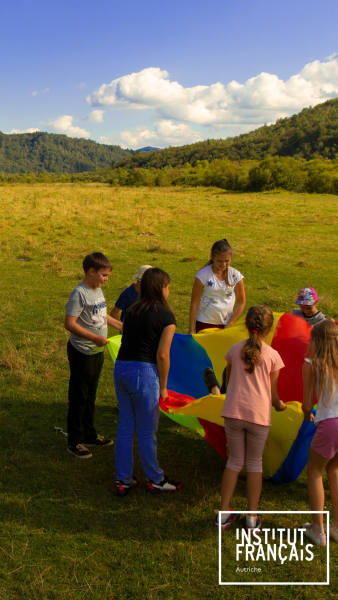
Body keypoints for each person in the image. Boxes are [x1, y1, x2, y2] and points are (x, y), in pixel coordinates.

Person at [215, 306, 286, 531]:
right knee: (255, 464)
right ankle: (252, 517)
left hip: (233, 413)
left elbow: (228, 380)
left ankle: (223, 513)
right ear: (270, 328)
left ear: (245, 325)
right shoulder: (273, 356)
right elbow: (274, 398)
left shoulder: (235, 350)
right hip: (258, 417)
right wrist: (282, 406)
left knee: (234, 461)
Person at [113, 267, 182, 497]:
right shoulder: (166, 316)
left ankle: (123, 480)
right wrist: (163, 387)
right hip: (144, 373)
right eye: (168, 286)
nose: (169, 291)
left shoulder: (132, 310)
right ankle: (155, 479)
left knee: (125, 427)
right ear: (161, 288)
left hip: (121, 369)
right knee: (146, 431)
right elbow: (162, 354)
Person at [65, 252, 122, 459]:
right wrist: (94, 338)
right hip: (82, 352)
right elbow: (69, 323)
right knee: (79, 397)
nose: (106, 279)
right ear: (92, 271)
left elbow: (101, 314)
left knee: (90, 395)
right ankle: (74, 441)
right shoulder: (79, 294)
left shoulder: (97, 290)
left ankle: (89, 435)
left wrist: (119, 325)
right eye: (104, 275)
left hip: (97, 352)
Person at [302, 320, 338, 545]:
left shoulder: (312, 364)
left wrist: (308, 416)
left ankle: (318, 530)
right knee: (334, 470)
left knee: (314, 471)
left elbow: (307, 405)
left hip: (330, 425)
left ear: (316, 341)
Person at [188, 239, 245, 334]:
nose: (223, 265)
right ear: (212, 257)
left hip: (227, 325)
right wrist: (191, 329)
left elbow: (241, 302)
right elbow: (194, 303)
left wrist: (230, 324)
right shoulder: (202, 276)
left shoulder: (236, 276)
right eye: (220, 261)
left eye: (227, 261)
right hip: (205, 323)